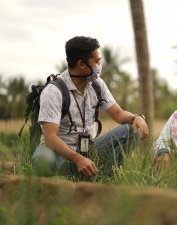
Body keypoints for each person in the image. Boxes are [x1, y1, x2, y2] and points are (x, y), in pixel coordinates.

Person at [32, 36, 149, 177]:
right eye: (97, 61)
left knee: (131, 130)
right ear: (81, 64)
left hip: (88, 151)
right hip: (60, 155)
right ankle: (54, 187)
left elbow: (118, 113)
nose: (99, 64)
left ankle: (103, 180)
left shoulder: (96, 84)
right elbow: (50, 137)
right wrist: (77, 159)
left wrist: (137, 117)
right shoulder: (53, 91)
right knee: (42, 159)